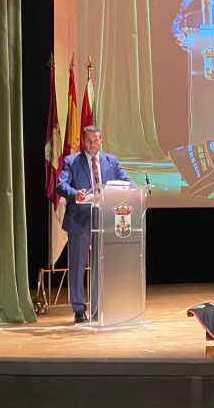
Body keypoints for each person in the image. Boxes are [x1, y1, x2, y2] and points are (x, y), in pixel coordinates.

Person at [57, 125, 134, 324]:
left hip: (104, 220)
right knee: (77, 266)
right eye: (88, 140)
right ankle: (79, 309)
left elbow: (126, 181)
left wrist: (136, 189)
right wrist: (75, 193)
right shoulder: (72, 161)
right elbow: (61, 185)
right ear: (83, 142)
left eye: (95, 140)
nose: (92, 144)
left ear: (101, 141)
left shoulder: (111, 161)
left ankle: (99, 308)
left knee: (102, 266)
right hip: (80, 220)